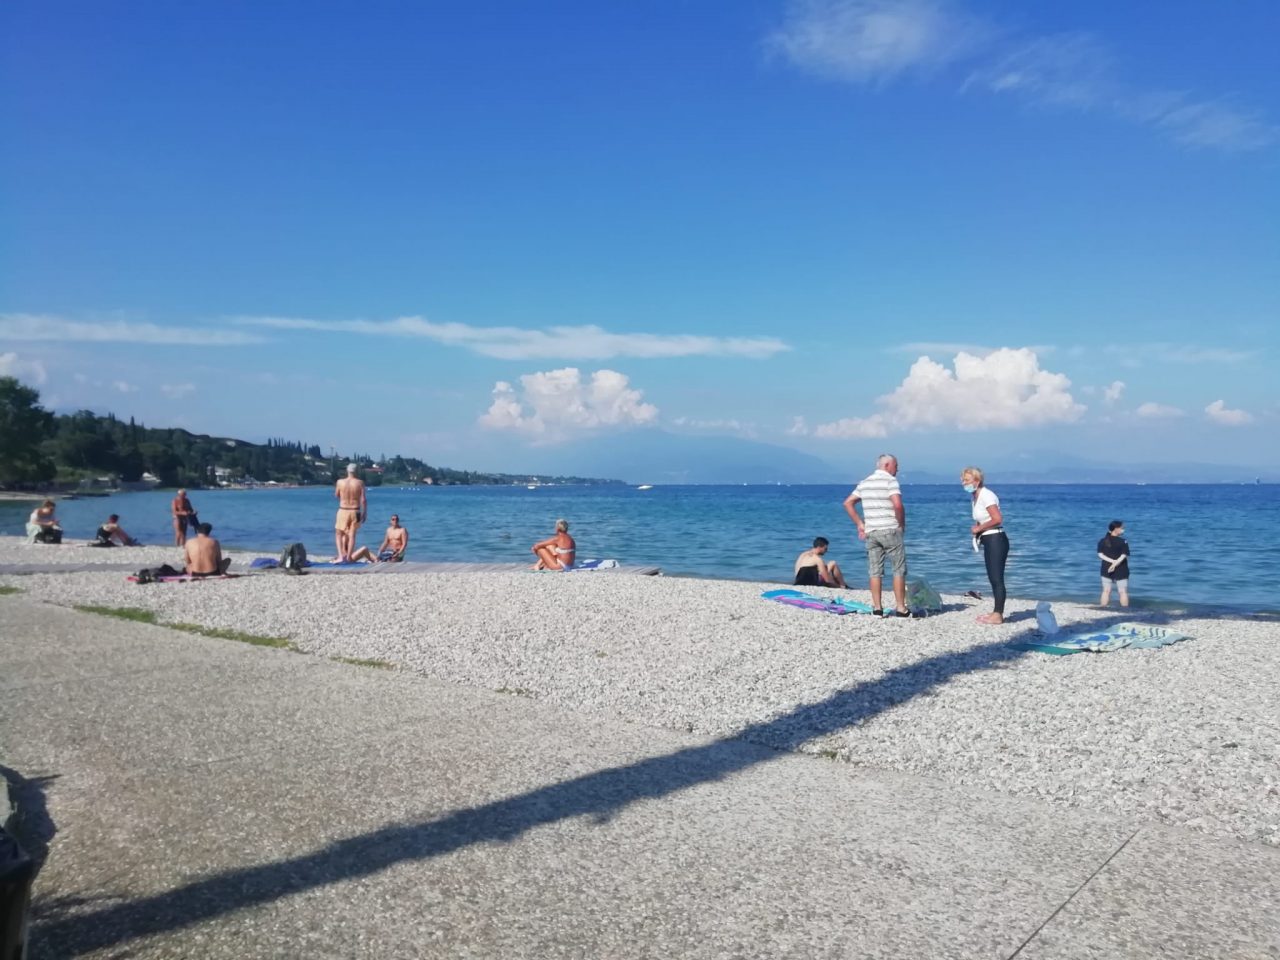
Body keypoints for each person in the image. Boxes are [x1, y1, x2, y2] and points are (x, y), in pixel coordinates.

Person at [843, 454, 911, 617]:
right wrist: (901, 524)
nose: (897, 469)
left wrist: (860, 524)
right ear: (887, 465)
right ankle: (901, 608)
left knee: (875, 571)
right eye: (896, 465)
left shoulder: (865, 482)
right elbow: (897, 504)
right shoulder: (890, 480)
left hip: (871, 532)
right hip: (890, 529)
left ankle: (877, 608)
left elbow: (848, 503)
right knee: (898, 569)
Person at [962, 466, 1009, 625]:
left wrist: (979, 528)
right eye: (963, 480)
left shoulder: (986, 496)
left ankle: (998, 615)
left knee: (997, 578)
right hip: (988, 539)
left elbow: (997, 518)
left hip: (997, 539)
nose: (964, 483)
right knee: (992, 578)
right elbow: (982, 518)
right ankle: (996, 611)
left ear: (977, 480)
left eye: (967, 480)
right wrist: (978, 530)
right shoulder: (975, 497)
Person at [334, 463, 367, 563]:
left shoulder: (340, 482)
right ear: (356, 471)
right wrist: (364, 512)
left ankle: (340, 556)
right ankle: (348, 557)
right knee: (352, 535)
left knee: (339, 533)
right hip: (355, 510)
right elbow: (363, 500)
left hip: (343, 509)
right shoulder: (360, 483)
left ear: (347, 471)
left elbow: (336, 495)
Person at [1098, 519, 1130, 608]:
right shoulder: (1123, 541)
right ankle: (1125, 610)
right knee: (1122, 591)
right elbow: (1123, 556)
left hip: (1106, 568)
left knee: (1106, 590)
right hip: (1121, 568)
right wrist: (1115, 563)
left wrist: (1112, 563)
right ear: (1116, 529)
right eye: (1122, 528)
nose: (1124, 529)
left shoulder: (1102, 540)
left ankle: (1103, 608)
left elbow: (1100, 555)